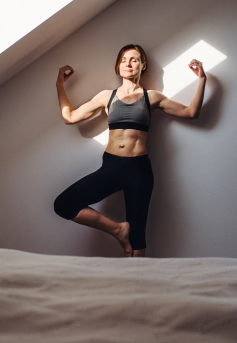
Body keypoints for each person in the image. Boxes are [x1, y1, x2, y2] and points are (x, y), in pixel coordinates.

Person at [54, 44, 206, 257]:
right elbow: (69, 117)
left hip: (139, 171)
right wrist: (59, 85)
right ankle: (118, 229)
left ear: (143, 66)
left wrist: (202, 80)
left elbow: (191, 113)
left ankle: (135, 284)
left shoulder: (152, 97)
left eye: (134, 59)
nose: (128, 63)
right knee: (63, 204)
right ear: (118, 65)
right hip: (111, 168)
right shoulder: (106, 96)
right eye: (124, 59)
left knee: (137, 240)